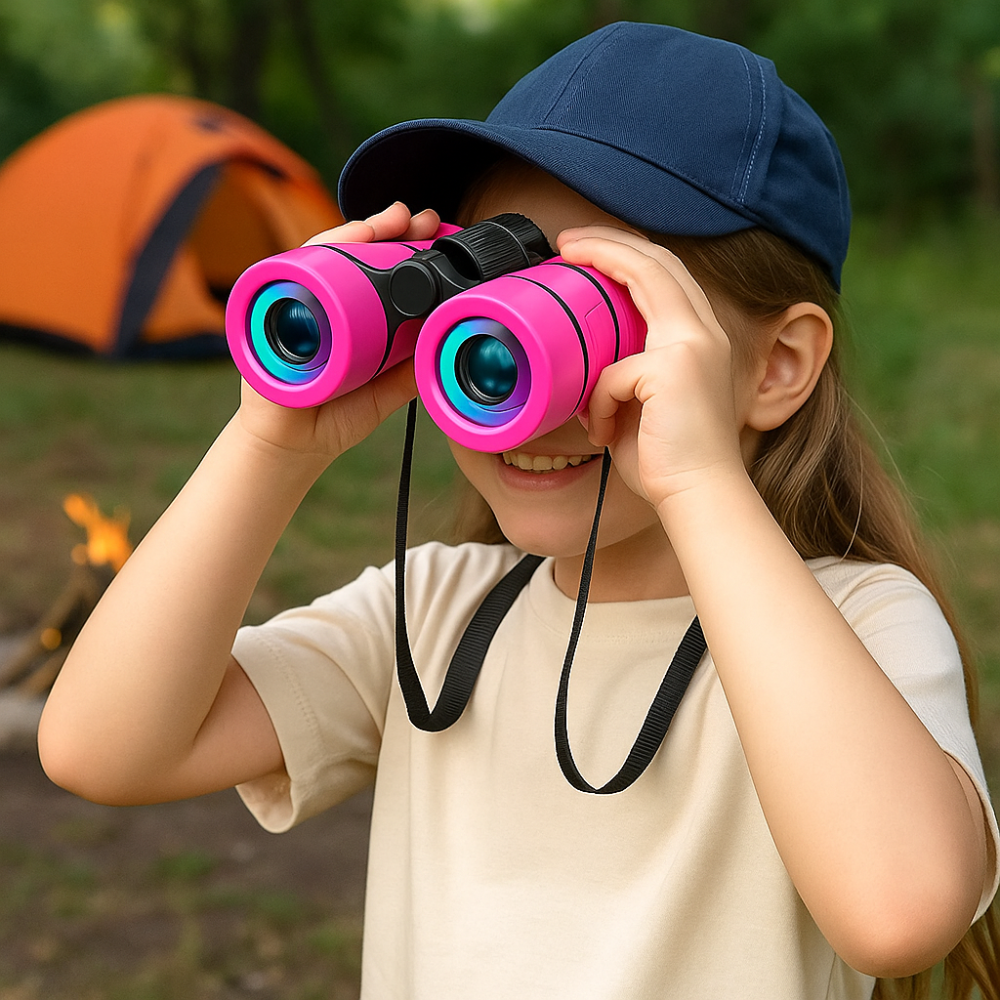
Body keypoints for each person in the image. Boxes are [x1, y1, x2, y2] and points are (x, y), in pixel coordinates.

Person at [38, 21, 999, 1000]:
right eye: (490, 314)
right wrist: (270, 444)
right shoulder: (436, 615)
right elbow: (101, 745)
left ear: (777, 365)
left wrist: (700, 480)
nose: (523, 393)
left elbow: (898, 910)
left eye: (593, 314)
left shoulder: (858, 624)